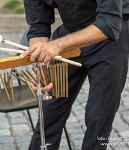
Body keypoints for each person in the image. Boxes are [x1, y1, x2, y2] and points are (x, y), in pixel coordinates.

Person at [20, 0, 129, 149]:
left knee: (98, 118)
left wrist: (57, 45)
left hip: (109, 37)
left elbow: (109, 22)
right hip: (69, 34)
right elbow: (39, 26)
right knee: (49, 112)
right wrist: (41, 66)